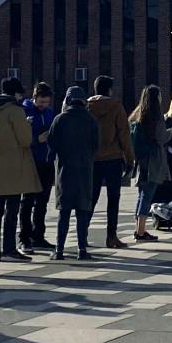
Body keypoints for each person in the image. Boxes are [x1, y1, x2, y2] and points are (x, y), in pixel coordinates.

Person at [0, 78, 40, 260]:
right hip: (15, 164)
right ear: (15, 93)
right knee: (12, 209)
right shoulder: (15, 111)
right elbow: (25, 140)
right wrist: (28, 125)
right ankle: (9, 249)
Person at [48, 86, 99, 259]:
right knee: (82, 213)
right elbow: (96, 145)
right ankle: (82, 249)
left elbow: (51, 144)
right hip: (85, 171)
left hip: (65, 171)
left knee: (64, 212)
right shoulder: (91, 120)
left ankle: (59, 250)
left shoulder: (60, 119)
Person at [86, 75, 134, 248]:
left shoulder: (87, 107)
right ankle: (111, 237)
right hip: (113, 158)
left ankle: (82, 234)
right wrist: (130, 158)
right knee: (113, 199)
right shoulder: (116, 107)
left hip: (92, 159)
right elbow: (124, 134)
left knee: (90, 197)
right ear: (109, 90)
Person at [129, 84, 169, 243]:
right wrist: (171, 132)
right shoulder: (156, 117)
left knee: (141, 195)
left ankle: (138, 228)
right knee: (147, 195)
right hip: (152, 161)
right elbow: (161, 138)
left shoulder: (137, 115)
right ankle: (141, 231)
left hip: (140, 161)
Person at [23, 81, 57, 254]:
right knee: (28, 200)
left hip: (47, 161)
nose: (43, 106)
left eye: (46, 102)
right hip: (31, 161)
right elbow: (22, 137)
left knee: (43, 202)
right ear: (34, 97)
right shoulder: (26, 111)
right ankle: (25, 237)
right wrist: (37, 140)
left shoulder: (50, 113)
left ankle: (39, 236)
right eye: (41, 102)